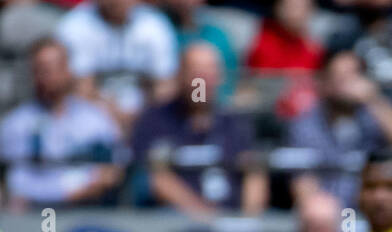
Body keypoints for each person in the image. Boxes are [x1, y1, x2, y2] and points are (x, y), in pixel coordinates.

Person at [131, 41, 267, 216]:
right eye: (196, 72)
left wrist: (247, 222)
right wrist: (205, 217)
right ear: (180, 75)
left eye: (209, 72)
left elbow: (254, 173)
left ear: (220, 77)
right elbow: (157, 179)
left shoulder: (234, 122)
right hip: (177, 223)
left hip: (232, 221)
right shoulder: (155, 120)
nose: (202, 81)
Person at [287, 47, 392, 205]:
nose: (349, 85)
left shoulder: (375, 112)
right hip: (331, 209)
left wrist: (374, 99)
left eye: (354, 76)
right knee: (319, 211)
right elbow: (303, 182)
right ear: (324, 81)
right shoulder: (307, 122)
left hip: (375, 205)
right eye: (341, 78)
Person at [1, 37, 124, 208]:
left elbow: (113, 169)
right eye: (42, 70)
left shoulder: (96, 119)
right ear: (32, 74)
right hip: (35, 214)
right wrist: (64, 194)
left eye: (55, 68)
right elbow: (15, 181)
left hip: (88, 209)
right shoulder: (15, 124)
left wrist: (90, 186)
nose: (49, 77)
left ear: (68, 70)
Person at [56, 0, 179, 129]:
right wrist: (115, 116)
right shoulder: (75, 26)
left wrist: (143, 117)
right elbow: (80, 91)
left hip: (146, 118)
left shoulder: (155, 25)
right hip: (93, 121)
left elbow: (165, 87)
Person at [247, 0, 325, 73]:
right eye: (289, 6)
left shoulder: (314, 50)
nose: (294, 13)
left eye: (300, 7)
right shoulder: (255, 37)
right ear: (277, 8)